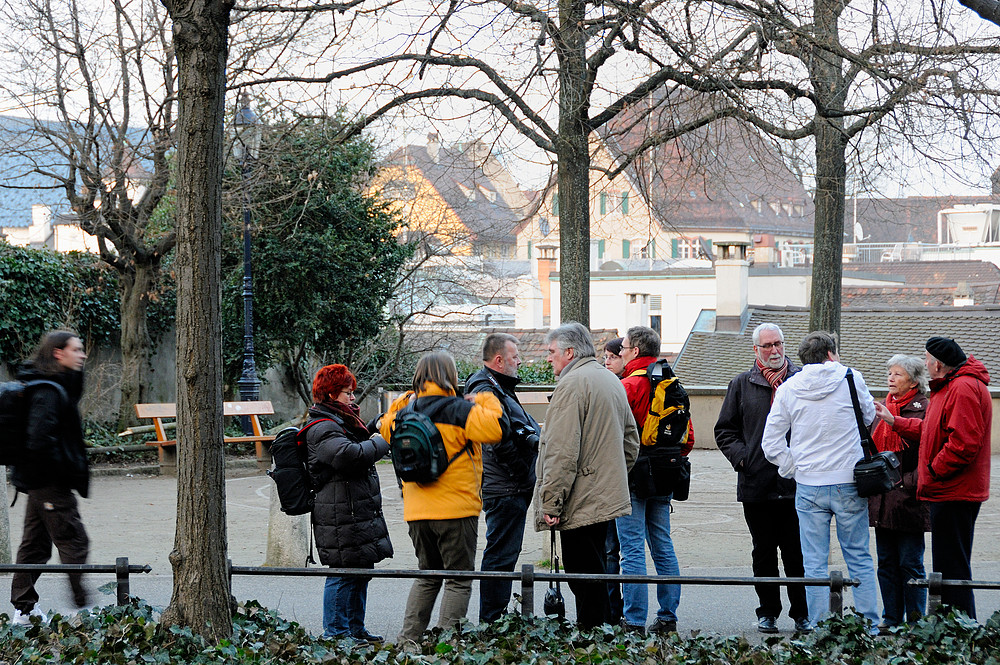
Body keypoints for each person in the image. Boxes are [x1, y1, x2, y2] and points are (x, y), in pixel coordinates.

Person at [380, 351, 506, 642]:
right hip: (456, 510)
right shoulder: (460, 410)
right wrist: (485, 398)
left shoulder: (404, 413)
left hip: (417, 512)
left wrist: (404, 400)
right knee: (458, 580)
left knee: (427, 575)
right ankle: (448, 646)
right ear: (451, 376)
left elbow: (385, 426)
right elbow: (496, 429)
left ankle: (408, 641)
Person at [761, 331, 879, 631]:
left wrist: (793, 467)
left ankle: (817, 625)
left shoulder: (788, 388)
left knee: (813, 561)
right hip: (849, 478)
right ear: (831, 354)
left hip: (809, 483)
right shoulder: (851, 378)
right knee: (859, 556)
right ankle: (869, 624)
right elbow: (867, 416)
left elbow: (771, 441)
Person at [874, 337, 991, 619]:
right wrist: (895, 421)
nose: (925, 365)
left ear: (938, 364)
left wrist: (933, 471)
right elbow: (930, 429)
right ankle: (956, 624)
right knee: (949, 566)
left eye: (927, 360)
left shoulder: (962, 388)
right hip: (949, 490)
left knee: (952, 567)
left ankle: (959, 626)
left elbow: (963, 444)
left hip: (954, 491)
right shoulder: (952, 386)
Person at [534, 322, 639, 629]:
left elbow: (560, 451)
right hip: (603, 496)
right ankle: (602, 635)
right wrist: (610, 476)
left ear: (569, 352)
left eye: (552, 352)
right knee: (596, 574)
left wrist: (551, 503)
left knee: (583, 578)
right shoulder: (610, 379)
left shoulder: (572, 385)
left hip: (580, 499)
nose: (548, 358)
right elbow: (631, 443)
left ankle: (593, 641)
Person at [714, 323, 809, 634]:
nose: (774, 350)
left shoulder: (801, 381)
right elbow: (724, 430)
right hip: (756, 483)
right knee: (764, 552)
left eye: (778, 343)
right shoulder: (741, 384)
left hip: (797, 484)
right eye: (767, 345)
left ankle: (802, 614)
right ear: (755, 350)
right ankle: (768, 611)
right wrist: (744, 459)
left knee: (796, 553)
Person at [304, 364, 393, 641]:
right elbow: (348, 455)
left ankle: (355, 629)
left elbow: (354, 441)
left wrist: (373, 427)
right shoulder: (322, 427)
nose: (353, 398)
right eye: (347, 393)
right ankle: (336, 633)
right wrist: (382, 441)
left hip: (354, 510)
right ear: (331, 394)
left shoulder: (339, 421)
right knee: (343, 573)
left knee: (361, 569)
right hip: (339, 513)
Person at [10, 330, 91, 625]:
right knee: (73, 539)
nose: (82, 354)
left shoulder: (54, 384)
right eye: (76, 350)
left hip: (39, 482)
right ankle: (82, 609)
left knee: (34, 545)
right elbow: (39, 441)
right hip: (48, 481)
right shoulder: (46, 390)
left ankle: (24, 610)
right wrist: (59, 475)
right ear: (58, 353)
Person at [616, 325, 690, 634]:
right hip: (665, 472)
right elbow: (688, 438)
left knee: (631, 549)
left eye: (623, 348)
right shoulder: (672, 383)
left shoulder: (627, 385)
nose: (619, 352)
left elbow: (614, 433)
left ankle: (633, 620)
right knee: (662, 545)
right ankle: (668, 616)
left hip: (632, 474)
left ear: (634, 351)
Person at [465, 333, 540, 623]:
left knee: (505, 553)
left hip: (508, 483)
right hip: (505, 484)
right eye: (514, 356)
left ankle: (494, 617)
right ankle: (492, 620)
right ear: (499, 360)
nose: (519, 360)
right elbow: (498, 438)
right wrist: (523, 472)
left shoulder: (497, 387)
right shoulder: (485, 387)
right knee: (500, 555)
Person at [867, 355, 929, 628]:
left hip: (909, 499)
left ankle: (916, 623)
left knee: (910, 564)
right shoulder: (882, 408)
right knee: (887, 564)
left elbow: (929, 452)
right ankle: (891, 618)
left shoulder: (924, 408)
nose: (890, 379)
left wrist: (908, 483)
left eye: (898, 374)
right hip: (882, 500)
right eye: (889, 373)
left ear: (914, 381)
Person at [602, 336, 626, 624]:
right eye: (605, 357)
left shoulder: (622, 387)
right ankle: (612, 607)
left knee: (615, 549)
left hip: (617, 480)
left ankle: (615, 610)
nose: (607, 362)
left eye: (612, 357)